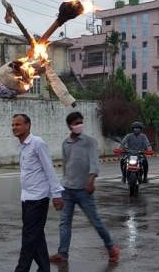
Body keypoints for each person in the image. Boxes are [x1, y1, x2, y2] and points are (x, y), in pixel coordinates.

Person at [2, 114, 64, 272]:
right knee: (36, 235)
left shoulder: (37, 143)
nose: (15, 127)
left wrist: (57, 194)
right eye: (13, 124)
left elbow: (49, 169)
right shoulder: (22, 146)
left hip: (38, 198)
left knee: (29, 236)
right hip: (27, 197)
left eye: (18, 124)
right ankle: (44, 271)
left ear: (28, 125)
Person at [50, 112, 121, 263]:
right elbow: (66, 165)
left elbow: (94, 163)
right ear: (69, 125)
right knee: (64, 222)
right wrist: (60, 187)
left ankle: (111, 248)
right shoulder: (66, 143)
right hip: (67, 189)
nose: (79, 125)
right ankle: (62, 253)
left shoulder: (89, 142)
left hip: (83, 190)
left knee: (95, 221)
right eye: (76, 123)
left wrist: (91, 181)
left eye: (81, 122)